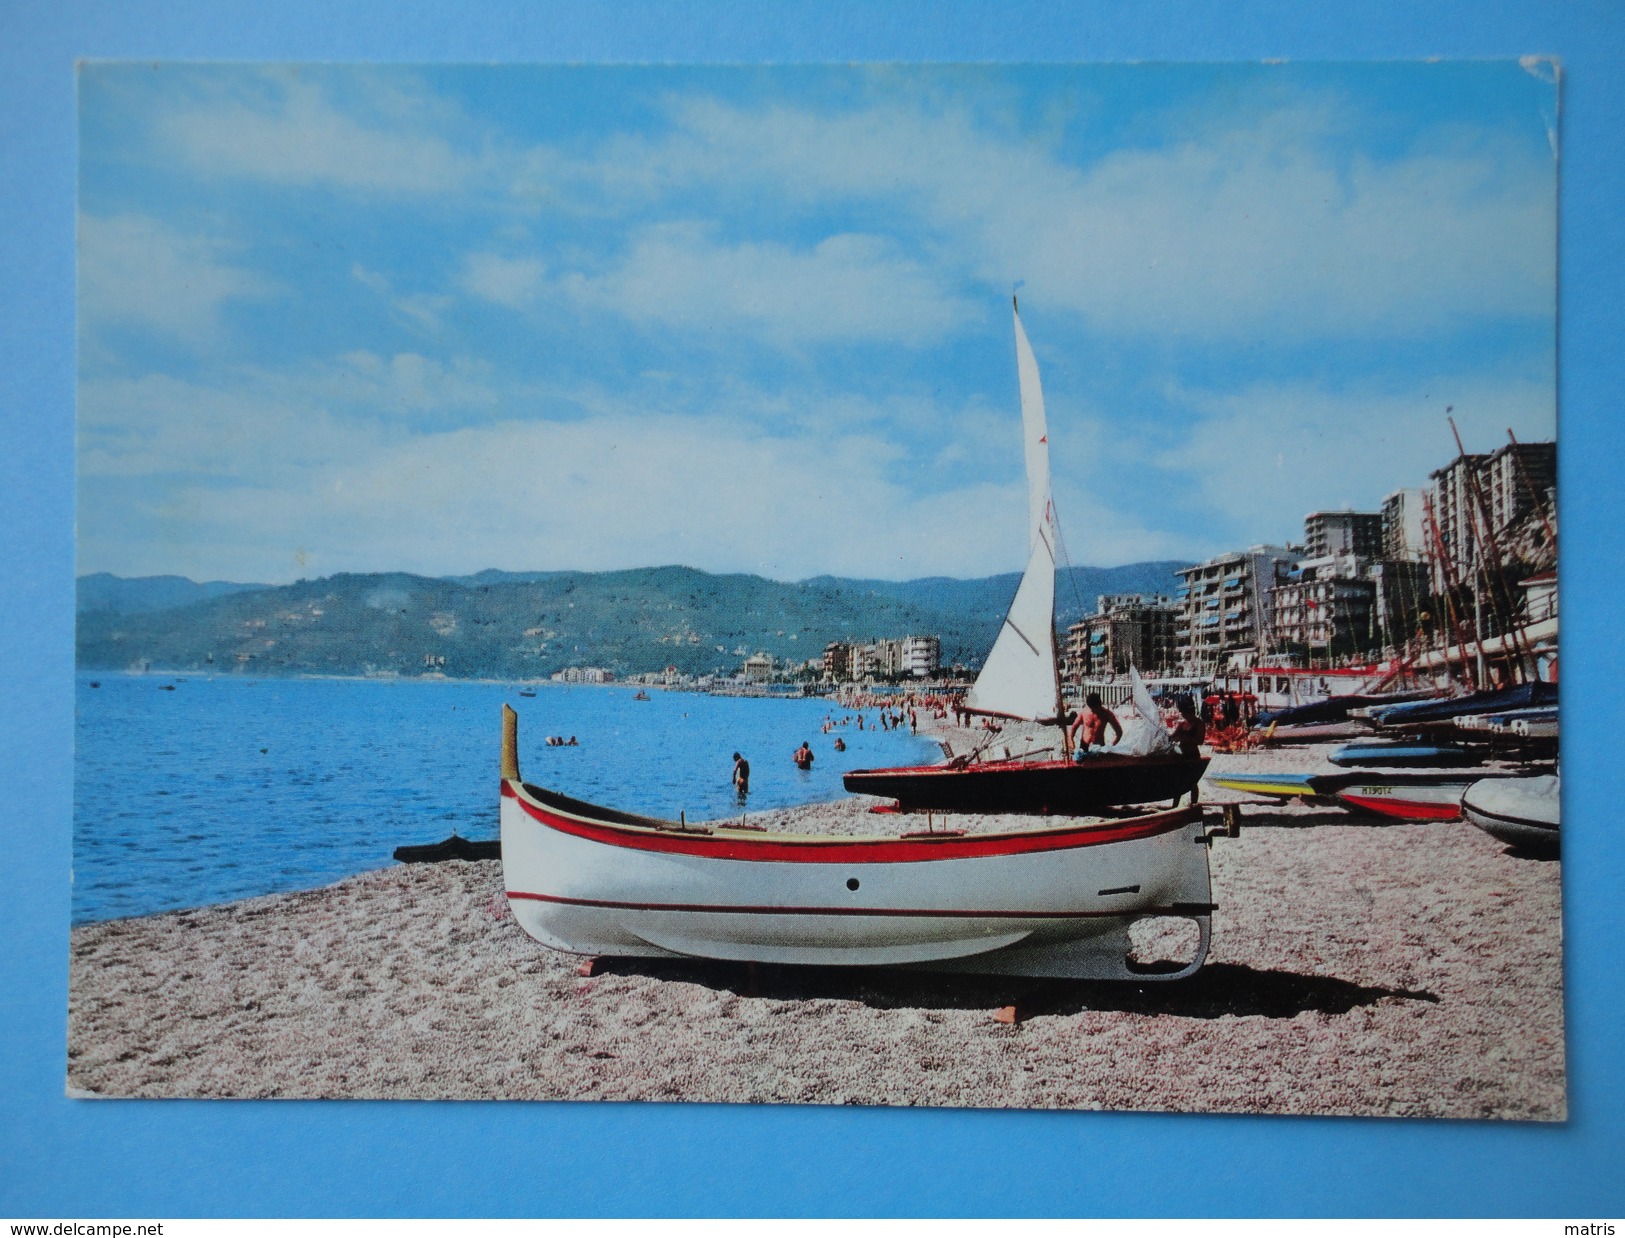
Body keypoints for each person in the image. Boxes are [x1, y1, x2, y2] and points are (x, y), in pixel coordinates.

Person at [1070, 692, 1122, 758]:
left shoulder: (1107, 714)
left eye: (1095, 709)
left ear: (1100, 704)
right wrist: (1071, 740)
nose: (1093, 711)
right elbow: (1074, 726)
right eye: (1091, 709)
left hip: (1099, 748)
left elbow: (1119, 732)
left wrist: (1110, 746)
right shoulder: (1084, 712)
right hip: (1084, 746)